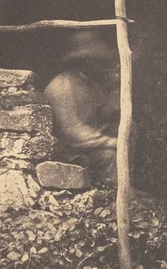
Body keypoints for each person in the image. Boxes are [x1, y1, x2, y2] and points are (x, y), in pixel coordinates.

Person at [42, 29, 124, 184]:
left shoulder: (88, 82)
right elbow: (72, 132)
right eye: (95, 60)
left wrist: (115, 92)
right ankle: (115, 191)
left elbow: (102, 115)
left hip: (88, 141)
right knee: (109, 154)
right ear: (83, 61)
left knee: (127, 127)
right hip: (70, 150)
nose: (100, 65)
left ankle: (127, 182)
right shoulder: (62, 86)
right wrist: (110, 142)